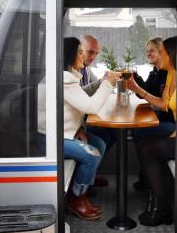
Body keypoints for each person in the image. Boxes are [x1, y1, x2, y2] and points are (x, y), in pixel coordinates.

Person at [127, 36, 177, 226]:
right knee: (144, 143)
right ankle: (156, 196)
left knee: (148, 150)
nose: (159, 56)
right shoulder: (172, 73)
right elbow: (164, 105)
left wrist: (176, 134)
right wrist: (137, 87)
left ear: (172, 54)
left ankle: (161, 208)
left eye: (161, 52)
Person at [63, 37, 121, 220]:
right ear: (70, 54)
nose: (83, 56)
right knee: (92, 154)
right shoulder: (64, 79)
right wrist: (108, 83)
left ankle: (85, 186)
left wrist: (79, 128)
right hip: (53, 138)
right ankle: (76, 198)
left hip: (68, 132)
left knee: (100, 144)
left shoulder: (69, 76)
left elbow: (81, 99)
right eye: (80, 52)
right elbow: (90, 107)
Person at [130, 36, 171, 192]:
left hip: (170, 122)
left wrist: (137, 87)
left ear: (163, 52)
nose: (148, 54)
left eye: (152, 51)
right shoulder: (155, 72)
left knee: (140, 131)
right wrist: (137, 78)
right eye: (147, 51)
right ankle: (146, 177)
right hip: (159, 117)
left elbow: (161, 103)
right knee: (138, 131)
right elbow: (145, 93)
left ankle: (147, 178)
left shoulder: (168, 75)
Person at [80, 34, 116, 187]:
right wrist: (104, 82)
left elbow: (95, 85)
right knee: (99, 142)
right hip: (74, 125)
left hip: (81, 120)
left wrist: (105, 81)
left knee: (111, 133)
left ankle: (92, 174)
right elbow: (81, 95)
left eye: (96, 53)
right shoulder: (69, 72)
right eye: (90, 52)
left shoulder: (86, 70)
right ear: (79, 50)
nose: (94, 56)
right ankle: (83, 187)